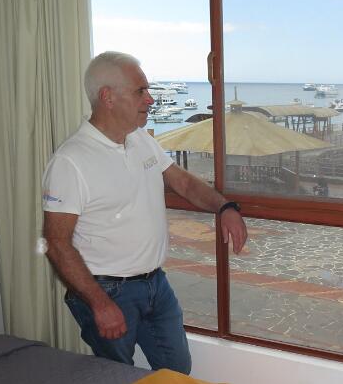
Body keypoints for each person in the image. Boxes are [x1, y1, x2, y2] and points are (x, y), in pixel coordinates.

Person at [41, 51, 248, 374]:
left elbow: (183, 183)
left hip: (156, 285)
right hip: (106, 290)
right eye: (141, 91)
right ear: (108, 97)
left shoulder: (139, 139)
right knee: (117, 374)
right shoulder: (71, 161)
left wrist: (224, 207)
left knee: (176, 370)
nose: (150, 99)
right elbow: (56, 243)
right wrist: (100, 304)